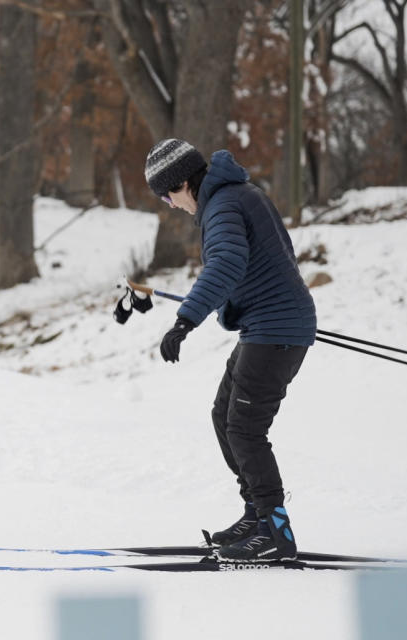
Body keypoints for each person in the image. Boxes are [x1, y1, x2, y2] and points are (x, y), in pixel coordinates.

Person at [143, 138, 317, 562]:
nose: (169, 204)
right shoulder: (239, 195)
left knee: (244, 428)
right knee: (225, 415)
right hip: (270, 327)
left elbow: (226, 265)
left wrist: (186, 320)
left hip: (274, 331)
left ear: (183, 182)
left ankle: (274, 531)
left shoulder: (222, 206)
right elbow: (270, 258)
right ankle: (257, 516)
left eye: (167, 195)